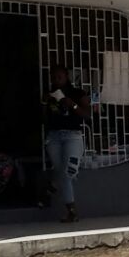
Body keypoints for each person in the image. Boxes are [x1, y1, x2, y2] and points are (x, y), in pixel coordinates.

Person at [43, 63, 89, 223]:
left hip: (72, 136)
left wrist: (73, 105)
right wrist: (44, 103)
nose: (57, 80)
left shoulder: (77, 93)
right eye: (54, 78)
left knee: (69, 171)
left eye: (59, 77)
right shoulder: (50, 95)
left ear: (66, 76)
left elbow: (87, 114)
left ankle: (69, 207)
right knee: (62, 171)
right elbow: (44, 119)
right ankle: (70, 209)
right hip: (54, 137)